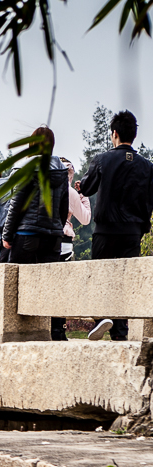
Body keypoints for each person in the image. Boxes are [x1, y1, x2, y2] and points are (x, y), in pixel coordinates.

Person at [77, 109, 153, 341]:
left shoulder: (102, 160)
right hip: (133, 231)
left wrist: (81, 185)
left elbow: (88, 188)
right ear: (134, 135)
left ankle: (102, 320)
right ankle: (121, 332)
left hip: (106, 229)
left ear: (114, 134)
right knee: (124, 280)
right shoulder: (147, 166)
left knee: (101, 276)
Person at [2, 128, 70, 336]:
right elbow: (63, 207)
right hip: (52, 236)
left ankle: (19, 332)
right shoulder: (61, 170)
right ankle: (54, 331)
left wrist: (7, 234)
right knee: (49, 285)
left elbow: (16, 204)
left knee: (18, 286)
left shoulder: (25, 168)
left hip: (27, 234)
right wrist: (56, 228)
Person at [50, 157, 93, 340]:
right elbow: (85, 219)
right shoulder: (70, 192)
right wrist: (83, 195)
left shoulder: (44, 188)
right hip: (65, 241)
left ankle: (48, 327)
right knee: (62, 287)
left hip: (45, 240)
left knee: (49, 285)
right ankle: (59, 329)